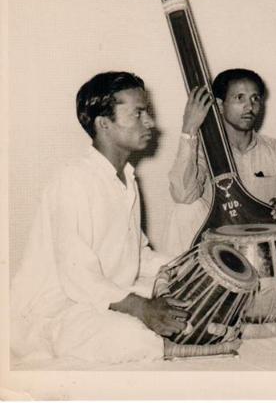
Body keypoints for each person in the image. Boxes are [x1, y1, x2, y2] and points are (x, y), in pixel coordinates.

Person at [11, 72, 194, 364]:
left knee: (186, 301)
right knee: (133, 336)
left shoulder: (127, 179)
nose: (149, 122)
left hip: (104, 297)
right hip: (57, 308)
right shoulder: (73, 181)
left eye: (147, 112)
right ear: (103, 123)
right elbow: (78, 278)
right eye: (138, 113)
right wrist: (142, 309)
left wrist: (186, 268)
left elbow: (136, 255)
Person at [163, 68, 276, 300]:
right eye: (239, 98)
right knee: (184, 209)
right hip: (217, 248)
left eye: (255, 98)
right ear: (220, 105)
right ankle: (191, 286)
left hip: (261, 250)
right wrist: (189, 130)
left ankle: (244, 292)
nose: (250, 106)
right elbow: (183, 194)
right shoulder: (203, 150)